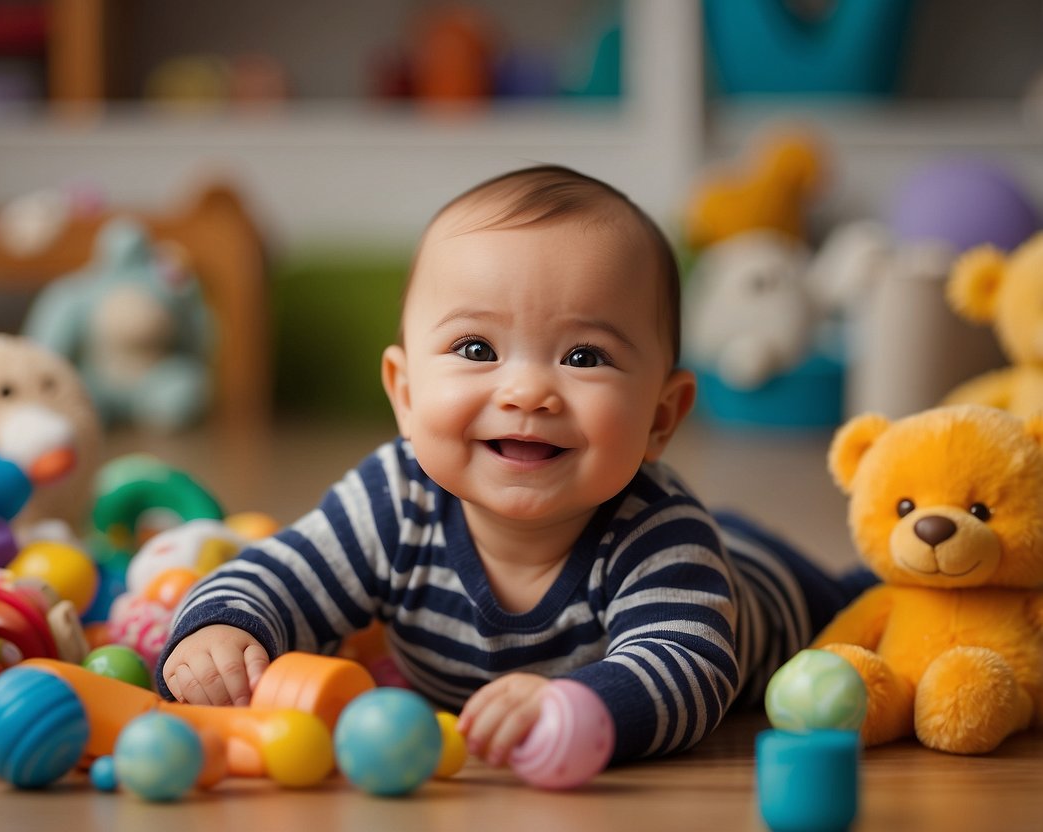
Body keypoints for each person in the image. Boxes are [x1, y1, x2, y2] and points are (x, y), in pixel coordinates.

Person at [157, 165, 865, 766]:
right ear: (404, 393)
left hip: (764, 592)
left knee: (865, 604)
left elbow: (690, 673)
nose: (525, 391)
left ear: (659, 417)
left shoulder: (659, 535)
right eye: (475, 349)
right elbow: (280, 573)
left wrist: (576, 703)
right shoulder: (393, 498)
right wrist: (222, 631)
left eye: (582, 356)